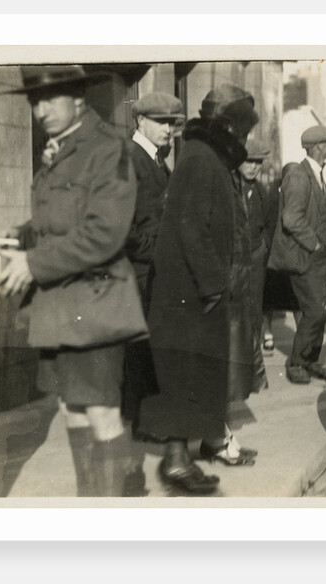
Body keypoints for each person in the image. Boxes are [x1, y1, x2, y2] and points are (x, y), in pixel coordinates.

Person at [0, 65, 139, 497]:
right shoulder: (60, 148)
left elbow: (105, 232)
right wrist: (21, 236)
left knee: (101, 415)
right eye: (34, 102)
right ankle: (90, 507)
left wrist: (33, 264)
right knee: (72, 409)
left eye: (49, 99)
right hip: (60, 305)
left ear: (77, 98)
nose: (40, 110)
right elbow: (61, 220)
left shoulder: (106, 148)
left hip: (96, 303)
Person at [136, 84, 261, 495]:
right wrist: (213, 285)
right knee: (184, 376)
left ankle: (180, 458)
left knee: (191, 377)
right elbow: (191, 228)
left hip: (191, 292)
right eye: (241, 133)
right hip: (188, 295)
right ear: (227, 127)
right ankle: (175, 462)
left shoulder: (203, 157)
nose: (243, 142)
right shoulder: (201, 162)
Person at [120, 91, 185, 496]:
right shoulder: (130, 160)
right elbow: (123, 230)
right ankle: (135, 440)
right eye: (161, 121)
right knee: (138, 356)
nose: (168, 129)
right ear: (140, 121)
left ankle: (145, 425)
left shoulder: (157, 160)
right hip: (136, 275)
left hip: (154, 274)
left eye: (172, 123)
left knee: (148, 354)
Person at [267, 124, 326, 385]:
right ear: (319, 147)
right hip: (304, 258)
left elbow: (313, 214)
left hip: (317, 258)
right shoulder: (299, 175)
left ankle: (311, 360)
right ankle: (298, 363)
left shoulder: (317, 175)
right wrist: (316, 244)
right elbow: (291, 219)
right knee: (315, 312)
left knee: (320, 309)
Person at [239, 138, 276, 390]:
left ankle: (253, 366)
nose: (253, 167)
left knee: (254, 307)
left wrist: (262, 246)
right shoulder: (231, 187)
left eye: (257, 163)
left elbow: (268, 223)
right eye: (248, 162)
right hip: (234, 257)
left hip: (255, 255)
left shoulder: (261, 191)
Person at [261, 163, 302, 354]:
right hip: (274, 256)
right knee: (269, 300)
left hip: (290, 255)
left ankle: (301, 338)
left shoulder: (294, 196)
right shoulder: (272, 197)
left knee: (296, 300)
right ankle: (268, 335)